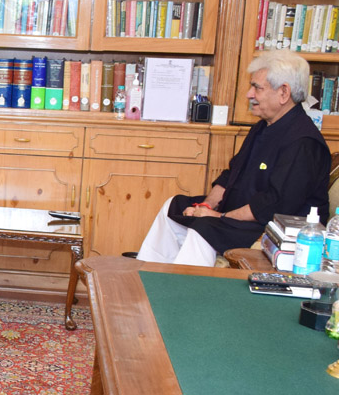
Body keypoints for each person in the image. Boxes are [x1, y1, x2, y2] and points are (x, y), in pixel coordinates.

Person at [136, 50, 331, 266]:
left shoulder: (303, 142)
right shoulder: (262, 127)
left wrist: (219, 217)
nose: (249, 94)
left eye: (257, 87)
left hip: (275, 229)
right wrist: (208, 206)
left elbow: (272, 206)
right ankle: (148, 275)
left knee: (206, 229)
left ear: (284, 92)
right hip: (240, 214)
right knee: (174, 206)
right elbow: (231, 175)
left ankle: (184, 290)